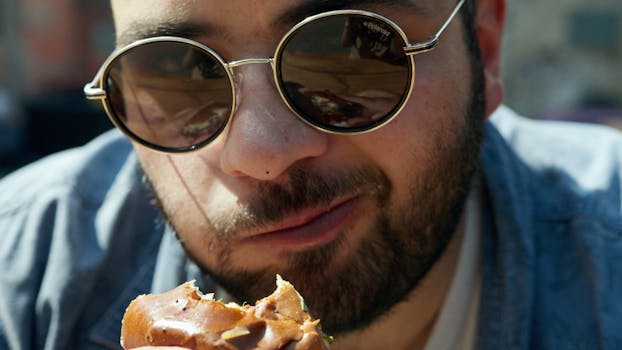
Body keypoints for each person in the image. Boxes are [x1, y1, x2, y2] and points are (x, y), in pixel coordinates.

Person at [1, 0, 621, 349]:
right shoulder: (24, 276)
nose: (263, 152)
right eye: (176, 74)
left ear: (483, 49)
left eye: (347, 53)